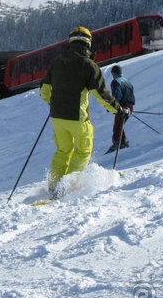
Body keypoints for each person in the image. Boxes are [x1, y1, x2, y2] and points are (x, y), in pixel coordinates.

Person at [39, 26, 127, 197]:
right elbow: (101, 94)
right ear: (88, 44)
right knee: (83, 150)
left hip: (56, 116)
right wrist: (118, 110)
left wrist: (56, 103)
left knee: (62, 150)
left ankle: (53, 185)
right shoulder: (89, 65)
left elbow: (43, 91)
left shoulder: (57, 62)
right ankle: (67, 188)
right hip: (77, 117)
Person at [106, 64, 135, 154]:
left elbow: (117, 95)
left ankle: (117, 143)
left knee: (117, 125)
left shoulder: (115, 82)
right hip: (130, 106)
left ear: (113, 73)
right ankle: (122, 142)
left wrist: (112, 106)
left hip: (122, 106)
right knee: (120, 124)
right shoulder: (127, 81)